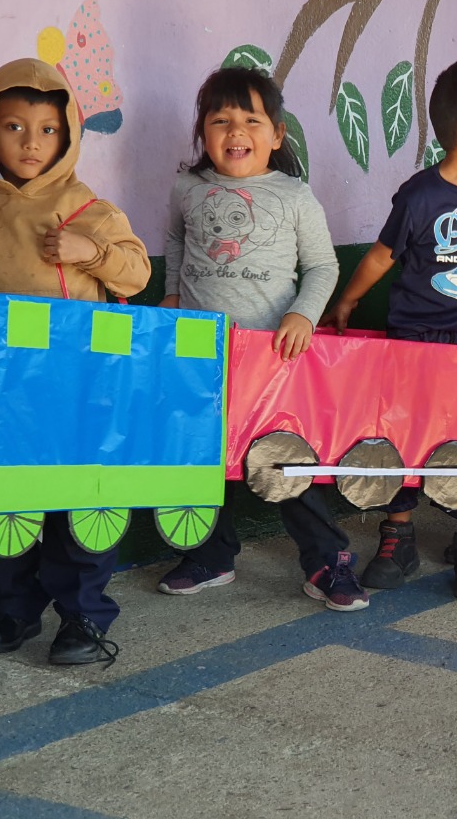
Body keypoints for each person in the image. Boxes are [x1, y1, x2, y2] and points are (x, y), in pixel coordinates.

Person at [0, 58, 150, 665]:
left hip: (78, 384)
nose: (31, 141)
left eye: (47, 129)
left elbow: (138, 272)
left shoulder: (85, 203)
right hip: (1, 384)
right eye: (13, 127)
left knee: (78, 499)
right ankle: (14, 612)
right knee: (7, 500)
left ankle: (83, 620)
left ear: (68, 134)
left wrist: (90, 249)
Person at [155, 67, 366, 612]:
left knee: (287, 461)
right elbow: (176, 242)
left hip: (274, 357)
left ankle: (325, 561)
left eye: (251, 120)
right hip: (201, 354)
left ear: (276, 134)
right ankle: (210, 556)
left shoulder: (294, 195)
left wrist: (303, 316)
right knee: (203, 457)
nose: (234, 131)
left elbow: (321, 267)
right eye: (220, 120)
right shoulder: (188, 188)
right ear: (203, 131)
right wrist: (173, 299)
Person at [325, 55, 457, 599]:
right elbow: (379, 257)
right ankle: (398, 534)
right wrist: (346, 301)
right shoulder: (419, 196)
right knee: (403, 436)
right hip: (413, 343)